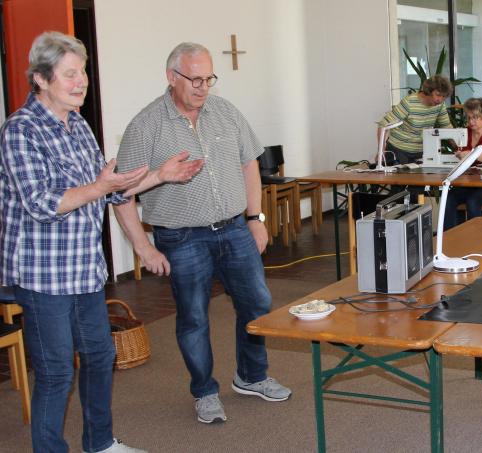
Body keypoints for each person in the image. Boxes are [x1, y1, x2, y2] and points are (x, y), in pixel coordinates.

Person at [0, 31, 201, 453]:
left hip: (84, 271)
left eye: (84, 72)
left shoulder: (77, 125)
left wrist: (159, 175)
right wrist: (100, 185)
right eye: (70, 74)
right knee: (55, 373)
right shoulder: (20, 131)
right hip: (43, 277)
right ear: (40, 79)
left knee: (99, 357)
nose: (81, 82)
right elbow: (42, 203)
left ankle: (100, 443)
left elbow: (111, 189)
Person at [113, 42, 291, 425]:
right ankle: (205, 391)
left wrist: (255, 217)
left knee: (258, 304)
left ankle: (251, 376)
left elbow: (249, 163)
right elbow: (119, 193)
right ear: (171, 77)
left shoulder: (225, 112)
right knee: (193, 317)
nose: (203, 87)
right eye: (194, 78)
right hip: (181, 238)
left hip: (233, 229)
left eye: (209, 78)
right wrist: (143, 247)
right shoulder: (145, 126)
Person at [443, 97, 482, 229]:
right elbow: (460, 157)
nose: (471, 122)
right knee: (447, 199)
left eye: (475, 118)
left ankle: (476, 239)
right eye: (469, 117)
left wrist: (470, 154)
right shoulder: (464, 133)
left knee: (473, 201)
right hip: (469, 184)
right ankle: (449, 238)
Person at [377, 75, 453, 164]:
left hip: (420, 151)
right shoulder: (409, 102)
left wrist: (458, 146)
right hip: (398, 150)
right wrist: (381, 153)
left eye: (444, 97)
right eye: (438, 95)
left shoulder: (440, 105)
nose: (440, 100)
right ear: (429, 90)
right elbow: (383, 125)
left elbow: (446, 127)